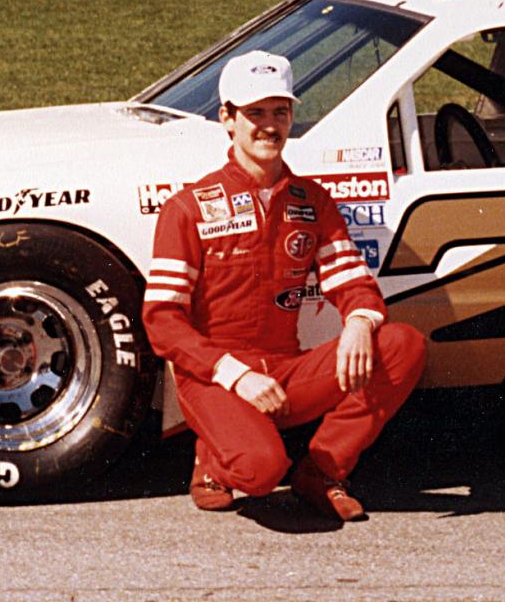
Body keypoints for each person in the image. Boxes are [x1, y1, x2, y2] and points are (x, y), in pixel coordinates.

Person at [142, 51, 426, 522]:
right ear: (227, 119)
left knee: (401, 344)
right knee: (259, 472)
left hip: (285, 372)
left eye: (280, 112)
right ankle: (212, 460)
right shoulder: (188, 207)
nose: (269, 126)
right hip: (215, 378)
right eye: (255, 114)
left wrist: (358, 320)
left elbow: (354, 281)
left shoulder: (311, 201)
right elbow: (163, 324)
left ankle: (322, 470)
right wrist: (236, 375)